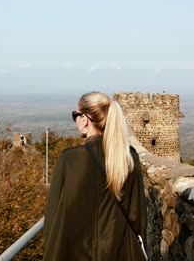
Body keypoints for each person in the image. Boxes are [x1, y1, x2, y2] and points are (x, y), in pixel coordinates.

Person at [43, 92, 148, 260]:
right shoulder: (129, 158)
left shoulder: (69, 160)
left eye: (75, 115)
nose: (76, 119)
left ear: (85, 119)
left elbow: (52, 219)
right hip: (120, 252)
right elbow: (137, 216)